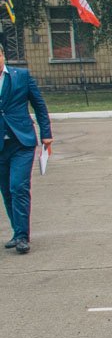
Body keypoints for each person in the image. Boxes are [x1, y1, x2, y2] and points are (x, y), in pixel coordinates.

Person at [0, 49, 52, 254]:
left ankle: (22, 236)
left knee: (18, 187)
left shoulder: (20, 76)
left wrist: (46, 133)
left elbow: (39, 104)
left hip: (21, 142)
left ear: (3, 56)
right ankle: (17, 231)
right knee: (6, 190)